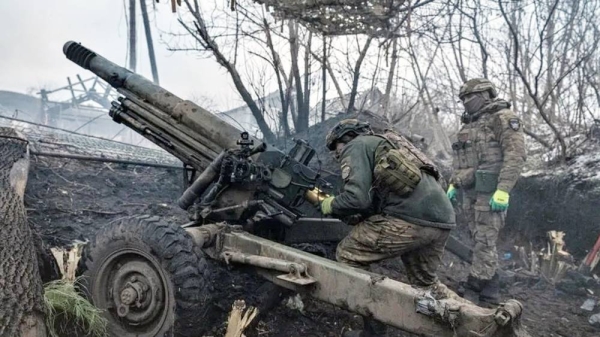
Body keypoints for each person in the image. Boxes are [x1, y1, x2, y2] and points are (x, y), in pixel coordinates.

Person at [320, 119, 458, 337]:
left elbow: (357, 199)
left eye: (335, 147)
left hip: (410, 219)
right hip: (441, 220)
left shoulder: (356, 146)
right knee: (426, 283)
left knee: (349, 253)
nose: (336, 154)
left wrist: (330, 204)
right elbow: (378, 197)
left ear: (345, 138)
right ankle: (474, 320)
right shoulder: (388, 143)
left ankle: (374, 329)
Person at [446, 78, 526, 306]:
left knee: (484, 241)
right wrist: (453, 184)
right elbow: (461, 160)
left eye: (469, 97)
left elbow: (515, 156)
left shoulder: (503, 118)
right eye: (462, 98)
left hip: (490, 195)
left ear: (485, 95)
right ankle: (490, 292)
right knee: (479, 239)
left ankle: (474, 290)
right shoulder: (469, 125)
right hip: (469, 194)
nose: (464, 102)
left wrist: (503, 190)